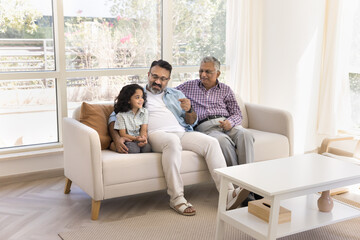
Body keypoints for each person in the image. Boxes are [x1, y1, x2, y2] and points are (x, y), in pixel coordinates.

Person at [108, 59, 249, 216]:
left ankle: (228, 194)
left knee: (211, 142)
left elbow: (191, 121)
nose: (157, 81)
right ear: (148, 74)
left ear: (168, 80)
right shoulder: (135, 94)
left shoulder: (176, 94)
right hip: (156, 134)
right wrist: (116, 138)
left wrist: (189, 110)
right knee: (172, 142)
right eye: (154, 76)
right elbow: (114, 115)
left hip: (183, 132)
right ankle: (177, 198)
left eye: (163, 79)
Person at [175, 56, 254, 167]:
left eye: (208, 72)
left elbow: (237, 114)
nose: (203, 75)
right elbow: (169, 93)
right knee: (222, 141)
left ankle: (247, 178)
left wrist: (230, 122)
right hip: (205, 126)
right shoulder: (188, 86)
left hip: (226, 123)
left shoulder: (226, 90)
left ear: (218, 74)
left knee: (246, 135)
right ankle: (235, 180)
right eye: (201, 71)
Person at [109, 84, 151, 153]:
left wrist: (143, 138)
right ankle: (112, 145)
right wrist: (135, 138)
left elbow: (144, 129)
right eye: (137, 97)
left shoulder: (144, 112)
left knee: (147, 148)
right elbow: (123, 134)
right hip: (128, 139)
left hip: (138, 138)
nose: (141, 100)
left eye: (142, 97)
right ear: (128, 100)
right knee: (133, 150)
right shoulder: (121, 115)